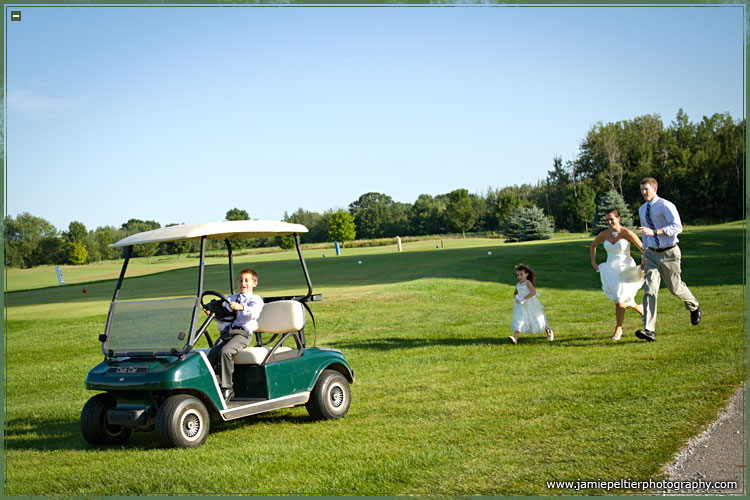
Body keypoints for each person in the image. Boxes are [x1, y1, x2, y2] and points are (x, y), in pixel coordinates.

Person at [635, 177, 701, 342]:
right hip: (652, 254)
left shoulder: (666, 205)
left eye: (646, 189)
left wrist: (656, 232)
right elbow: (645, 235)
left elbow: (677, 227)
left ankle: (694, 306)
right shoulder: (642, 209)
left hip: (669, 253)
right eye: (642, 189)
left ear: (655, 189)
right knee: (650, 290)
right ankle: (649, 330)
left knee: (675, 287)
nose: (644, 192)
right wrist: (644, 253)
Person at [207, 268, 264, 401]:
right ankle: (212, 387)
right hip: (228, 333)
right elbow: (225, 317)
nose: (242, 283)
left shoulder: (255, 299)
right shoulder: (231, 298)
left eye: (246, 280)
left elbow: (254, 313)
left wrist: (242, 307)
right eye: (240, 280)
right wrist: (213, 314)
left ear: (254, 283)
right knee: (210, 356)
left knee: (225, 352)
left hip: (243, 334)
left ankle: (227, 388)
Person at [590, 208, 645, 340]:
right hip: (611, 270)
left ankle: (618, 328)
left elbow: (643, 248)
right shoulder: (604, 234)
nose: (609, 222)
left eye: (612, 219)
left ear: (618, 219)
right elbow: (593, 246)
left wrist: (643, 262)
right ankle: (640, 309)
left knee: (620, 300)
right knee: (619, 298)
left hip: (625, 270)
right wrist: (593, 262)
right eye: (607, 220)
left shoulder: (627, 233)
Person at [509, 264, 554, 344]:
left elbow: (533, 292)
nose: (519, 276)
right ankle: (515, 338)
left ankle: (548, 331)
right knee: (519, 319)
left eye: (521, 274)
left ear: (527, 274)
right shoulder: (518, 284)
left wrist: (525, 298)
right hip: (521, 305)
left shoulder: (527, 282)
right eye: (518, 275)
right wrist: (517, 297)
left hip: (531, 304)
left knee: (538, 317)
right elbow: (515, 292)